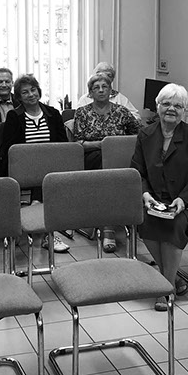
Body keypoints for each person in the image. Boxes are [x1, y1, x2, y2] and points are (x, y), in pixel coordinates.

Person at [131, 83, 188, 312]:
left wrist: (182, 200)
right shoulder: (145, 134)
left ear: (184, 110)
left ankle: (165, 288)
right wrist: (145, 194)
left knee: (173, 225)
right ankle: (172, 278)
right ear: (157, 106)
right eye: (166, 104)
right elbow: (137, 171)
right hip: (154, 199)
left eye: (178, 106)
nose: (171, 109)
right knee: (144, 220)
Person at [0, 74, 70, 253]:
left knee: (47, 178)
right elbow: (9, 149)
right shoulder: (14, 116)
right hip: (23, 167)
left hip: (51, 166)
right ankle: (37, 225)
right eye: (25, 92)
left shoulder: (53, 113)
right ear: (19, 96)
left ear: (39, 91)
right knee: (39, 178)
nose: (31, 94)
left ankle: (46, 232)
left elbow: (62, 145)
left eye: (33, 90)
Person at [74, 72, 140, 251]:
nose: (101, 90)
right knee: (106, 172)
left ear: (111, 91)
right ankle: (108, 228)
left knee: (117, 169)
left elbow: (138, 135)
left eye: (105, 87)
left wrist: (117, 146)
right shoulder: (82, 113)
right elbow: (78, 143)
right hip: (92, 157)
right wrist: (103, 144)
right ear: (90, 93)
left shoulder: (122, 111)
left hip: (118, 157)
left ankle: (123, 220)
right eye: (96, 88)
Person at [76, 61, 140, 121]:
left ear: (112, 79)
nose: (101, 90)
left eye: (109, 75)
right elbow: (77, 119)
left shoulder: (120, 98)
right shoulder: (85, 99)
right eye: (100, 75)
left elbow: (136, 117)